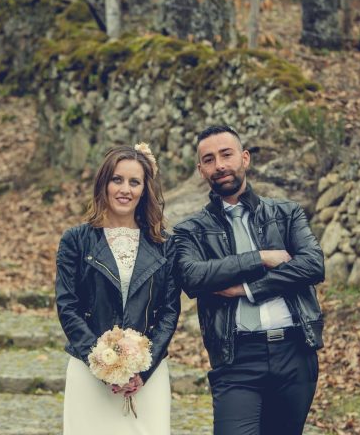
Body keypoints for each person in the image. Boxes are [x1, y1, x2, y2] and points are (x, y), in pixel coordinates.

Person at [173, 125, 325, 435]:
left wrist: (247, 289)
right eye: (209, 159)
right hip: (236, 357)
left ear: (245, 158)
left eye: (226, 155)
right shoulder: (191, 230)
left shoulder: (286, 213)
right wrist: (261, 258)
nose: (220, 166)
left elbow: (312, 266)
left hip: (294, 352)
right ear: (201, 170)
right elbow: (192, 276)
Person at [55, 143, 181, 435]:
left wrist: (142, 369)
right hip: (89, 372)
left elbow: (169, 310)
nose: (125, 189)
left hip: (146, 376)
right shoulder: (76, 240)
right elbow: (67, 306)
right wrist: (102, 365)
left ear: (144, 189)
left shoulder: (165, 245)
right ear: (104, 183)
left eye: (134, 182)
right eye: (117, 179)